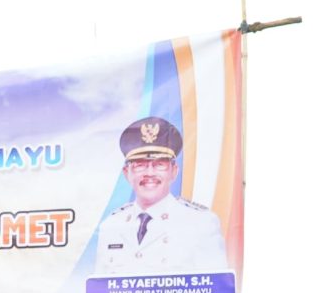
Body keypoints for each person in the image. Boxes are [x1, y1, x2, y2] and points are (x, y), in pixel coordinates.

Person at [86, 116, 230, 277]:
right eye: (140, 165)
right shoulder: (111, 226)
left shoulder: (201, 223)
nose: (149, 173)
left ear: (174, 171)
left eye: (159, 164)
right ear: (127, 173)